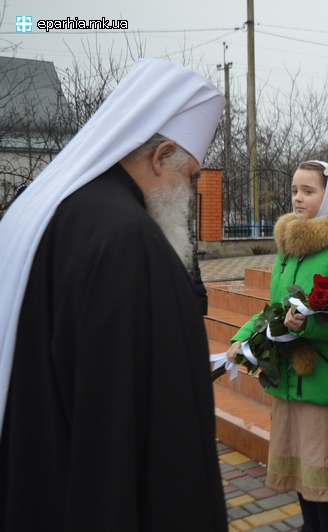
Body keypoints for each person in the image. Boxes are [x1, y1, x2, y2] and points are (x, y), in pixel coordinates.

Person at [0, 59, 227, 530]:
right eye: (189, 176)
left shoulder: (54, 211)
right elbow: (154, 433)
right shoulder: (129, 242)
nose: (187, 194)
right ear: (161, 156)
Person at [225, 161, 328, 532]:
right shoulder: (289, 246)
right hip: (289, 378)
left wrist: (310, 326)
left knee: (323, 472)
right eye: (295, 190)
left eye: (309, 191)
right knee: (301, 471)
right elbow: (273, 308)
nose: (299, 198)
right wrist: (243, 338)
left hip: (322, 377)